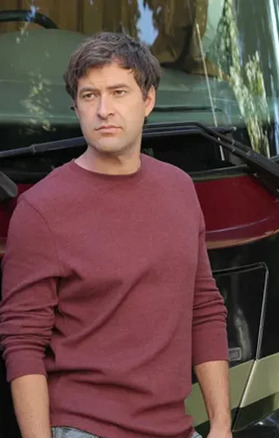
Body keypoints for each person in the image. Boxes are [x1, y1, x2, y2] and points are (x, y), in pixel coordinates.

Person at [0, 32, 231, 438]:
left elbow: (204, 309)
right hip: (86, 428)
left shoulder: (179, 189)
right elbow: (23, 343)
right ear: (77, 107)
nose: (104, 109)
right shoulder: (41, 209)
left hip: (177, 427)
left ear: (147, 101)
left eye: (118, 92)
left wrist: (222, 426)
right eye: (90, 96)